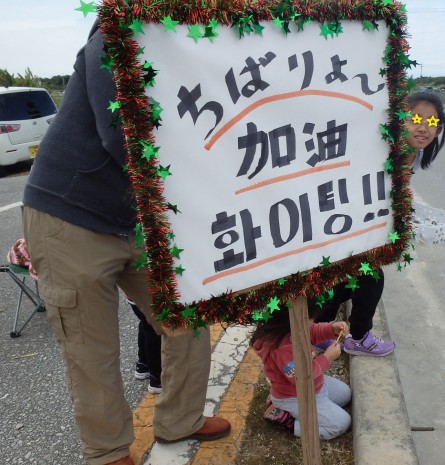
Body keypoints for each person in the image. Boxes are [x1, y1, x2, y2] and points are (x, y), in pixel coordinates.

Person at [21, 22, 230, 465]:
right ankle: (107, 451)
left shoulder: (195, 43)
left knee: (187, 315)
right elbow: (125, 132)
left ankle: (182, 419)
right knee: (91, 346)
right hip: (68, 214)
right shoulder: (118, 34)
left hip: (136, 217)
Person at [313, 91, 445, 357]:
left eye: (431, 122)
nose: (423, 127)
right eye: (415, 119)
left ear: (439, 128)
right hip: (344, 224)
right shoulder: (380, 149)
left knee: (359, 279)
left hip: (368, 230)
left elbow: (393, 195)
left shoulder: (415, 157)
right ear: (398, 121)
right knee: (356, 279)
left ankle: (322, 331)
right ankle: (341, 334)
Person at [250, 305, 351, 440]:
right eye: (310, 319)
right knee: (341, 423)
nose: (312, 322)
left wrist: (331, 329)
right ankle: (289, 421)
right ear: (291, 320)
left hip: (315, 384)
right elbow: (302, 376)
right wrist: (327, 358)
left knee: (345, 394)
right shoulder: (280, 348)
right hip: (295, 396)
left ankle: (292, 408)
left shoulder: (293, 326)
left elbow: (312, 331)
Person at [127, 298, 162, 394]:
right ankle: (157, 378)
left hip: (134, 295)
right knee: (155, 329)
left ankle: (143, 364)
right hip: (147, 293)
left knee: (146, 323)